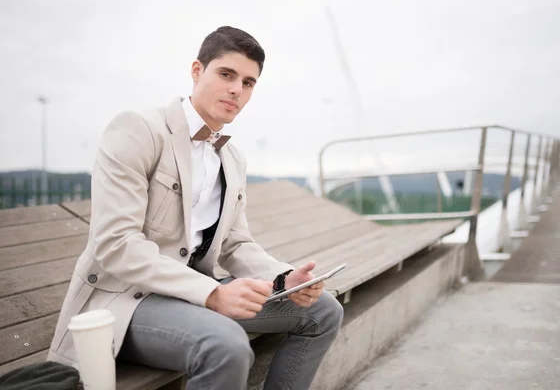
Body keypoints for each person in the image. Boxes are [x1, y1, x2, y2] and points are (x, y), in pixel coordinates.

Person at [47, 26, 344, 389]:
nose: (237, 89)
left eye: (248, 82)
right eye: (226, 74)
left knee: (323, 310)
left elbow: (236, 243)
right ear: (196, 71)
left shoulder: (232, 157)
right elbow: (116, 244)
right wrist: (213, 293)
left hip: (193, 297)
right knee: (226, 346)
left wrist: (283, 278)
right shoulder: (137, 129)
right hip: (126, 302)